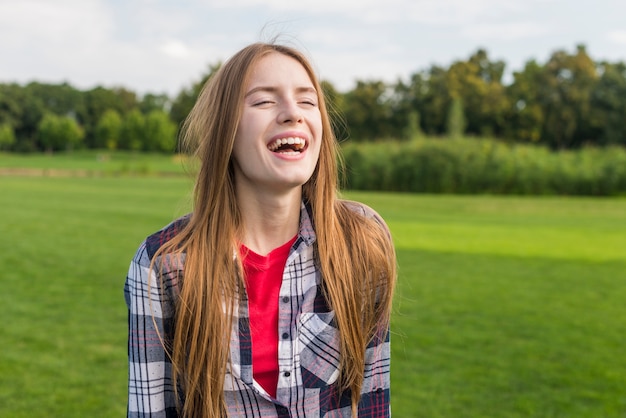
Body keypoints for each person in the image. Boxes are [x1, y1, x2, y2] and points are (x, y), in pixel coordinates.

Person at [124, 41, 397, 418]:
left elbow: (372, 402)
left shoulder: (362, 240)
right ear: (225, 130)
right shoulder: (164, 264)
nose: (292, 114)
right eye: (264, 101)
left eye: (307, 101)